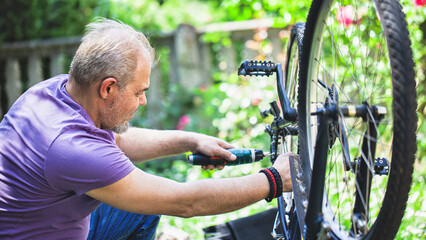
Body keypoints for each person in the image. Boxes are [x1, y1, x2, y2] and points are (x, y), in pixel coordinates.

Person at [0, 18, 294, 239]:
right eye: (139, 91)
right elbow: (186, 202)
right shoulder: (71, 149)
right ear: (108, 88)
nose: (143, 101)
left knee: (140, 207)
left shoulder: (54, 91)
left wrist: (190, 140)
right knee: (152, 200)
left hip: (34, 223)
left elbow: (115, 142)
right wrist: (274, 179)